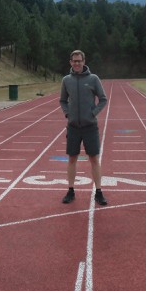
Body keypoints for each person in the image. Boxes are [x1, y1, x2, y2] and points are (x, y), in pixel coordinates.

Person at [59, 50, 108, 205]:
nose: (77, 63)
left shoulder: (93, 79)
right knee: (72, 158)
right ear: (70, 62)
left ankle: (99, 192)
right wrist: (68, 114)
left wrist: (93, 113)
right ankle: (71, 190)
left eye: (79, 61)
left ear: (84, 61)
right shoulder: (66, 80)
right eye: (74, 61)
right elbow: (62, 100)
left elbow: (103, 99)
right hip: (73, 126)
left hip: (90, 126)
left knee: (94, 158)